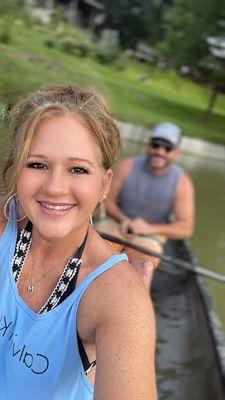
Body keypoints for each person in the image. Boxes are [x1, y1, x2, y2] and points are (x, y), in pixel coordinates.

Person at [0, 85, 157, 400]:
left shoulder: (119, 297)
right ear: (16, 170)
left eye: (78, 169)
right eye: (37, 164)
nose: (55, 187)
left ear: (104, 184)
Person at [101, 122, 195, 253]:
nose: (160, 151)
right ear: (149, 145)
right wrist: (125, 220)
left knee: (144, 264)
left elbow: (185, 228)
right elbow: (107, 200)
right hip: (117, 222)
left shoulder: (183, 182)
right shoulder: (126, 166)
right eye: (156, 145)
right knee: (99, 250)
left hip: (152, 234)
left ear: (176, 153)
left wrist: (150, 228)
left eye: (167, 148)